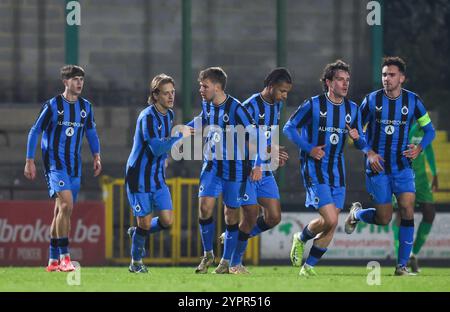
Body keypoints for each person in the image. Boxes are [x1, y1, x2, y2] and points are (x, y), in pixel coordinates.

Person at [344, 56, 436, 276]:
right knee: (384, 218)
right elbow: (356, 133)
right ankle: (356, 214)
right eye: (384, 74)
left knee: (407, 208)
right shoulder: (371, 101)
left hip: (403, 166)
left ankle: (401, 266)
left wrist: (419, 148)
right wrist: (368, 151)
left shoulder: (413, 101)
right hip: (378, 168)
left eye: (392, 75)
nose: (387, 78)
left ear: (402, 78)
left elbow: (430, 131)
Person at [284, 60, 369, 276]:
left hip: (337, 171)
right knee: (331, 219)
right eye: (340, 79)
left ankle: (307, 265)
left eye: (347, 80)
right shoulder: (313, 105)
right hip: (314, 168)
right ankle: (302, 240)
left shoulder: (353, 109)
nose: (345, 84)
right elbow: (289, 128)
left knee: (331, 222)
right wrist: (309, 148)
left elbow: (362, 142)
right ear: (329, 82)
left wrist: (358, 139)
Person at [24, 65, 102, 272]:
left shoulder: (86, 107)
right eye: (75, 79)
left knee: (61, 210)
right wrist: (29, 160)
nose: (79, 83)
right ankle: (65, 257)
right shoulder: (53, 105)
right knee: (67, 206)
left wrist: (96, 155)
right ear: (65, 82)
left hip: (74, 166)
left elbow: (91, 133)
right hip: (54, 165)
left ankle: (51, 260)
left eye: (81, 80)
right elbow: (35, 131)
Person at [187, 67, 259, 274]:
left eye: (204, 86)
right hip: (212, 165)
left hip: (234, 168)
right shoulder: (207, 104)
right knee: (204, 208)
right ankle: (208, 254)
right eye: (201, 85)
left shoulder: (236, 109)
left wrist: (257, 164)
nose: (201, 89)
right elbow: (203, 120)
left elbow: (255, 136)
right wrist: (186, 128)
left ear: (217, 87)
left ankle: (226, 261)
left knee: (230, 214)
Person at [223, 68, 292, 274]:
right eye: (282, 91)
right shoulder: (250, 107)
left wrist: (272, 153)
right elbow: (240, 140)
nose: (284, 96)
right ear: (270, 87)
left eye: (287, 92)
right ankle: (235, 264)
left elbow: (265, 139)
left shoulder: (276, 107)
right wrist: (269, 151)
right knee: (251, 213)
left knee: (274, 217)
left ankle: (234, 237)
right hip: (247, 169)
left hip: (263, 168)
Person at [125, 74, 193, 273]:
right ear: (155, 95)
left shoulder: (169, 115)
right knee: (145, 223)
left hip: (156, 176)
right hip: (138, 176)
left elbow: (163, 144)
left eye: (172, 92)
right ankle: (136, 263)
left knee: (167, 220)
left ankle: (137, 232)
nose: (171, 97)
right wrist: (181, 135)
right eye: (166, 93)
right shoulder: (147, 116)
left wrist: (165, 160)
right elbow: (155, 147)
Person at [392, 121, 438, 273]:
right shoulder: (401, 122)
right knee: (401, 213)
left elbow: (429, 150)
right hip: (402, 174)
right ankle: (404, 257)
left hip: (421, 179)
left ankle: (414, 253)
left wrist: (435, 173)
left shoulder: (423, 128)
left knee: (430, 213)